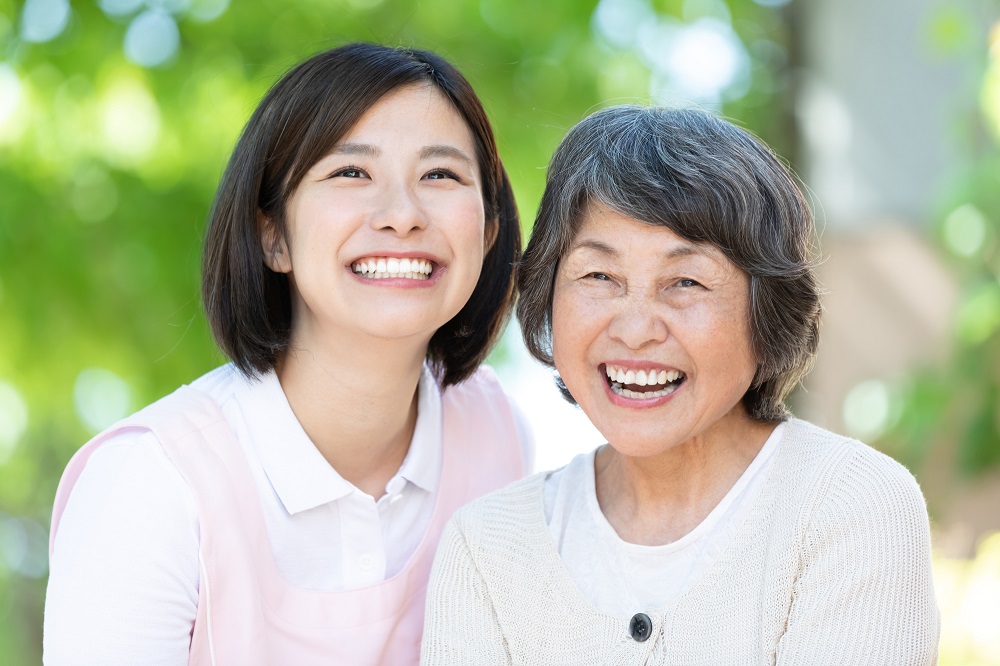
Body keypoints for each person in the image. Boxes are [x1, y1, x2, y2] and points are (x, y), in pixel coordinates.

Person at [44, 43, 530, 666]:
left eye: (441, 175)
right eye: (350, 173)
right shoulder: (150, 483)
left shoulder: (497, 437)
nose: (403, 215)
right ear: (272, 235)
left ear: (488, 231)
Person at [421, 106, 939, 664]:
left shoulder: (850, 507)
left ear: (768, 311)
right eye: (599, 276)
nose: (637, 328)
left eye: (686, 281)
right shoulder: (489, 544)